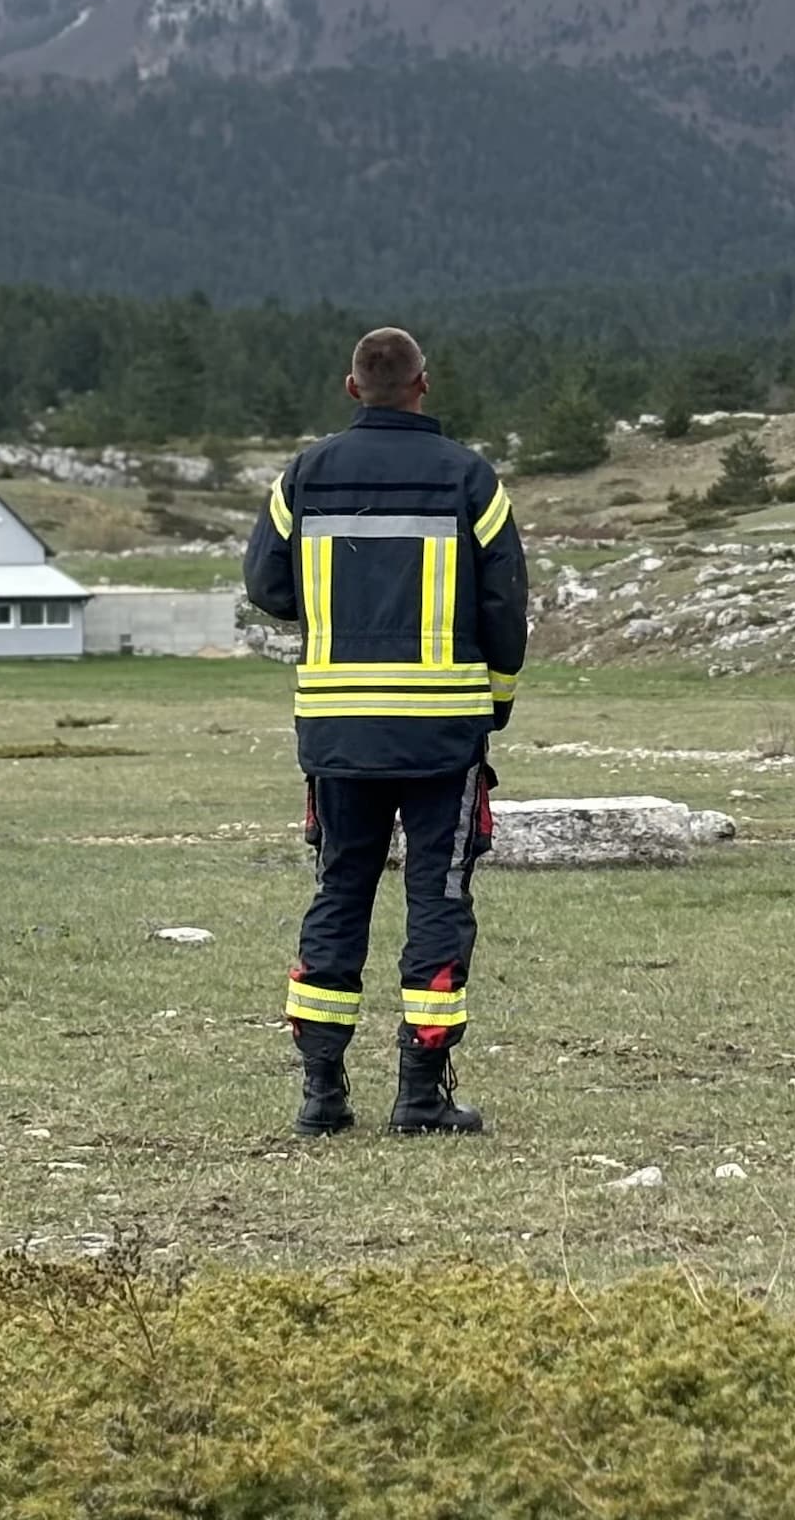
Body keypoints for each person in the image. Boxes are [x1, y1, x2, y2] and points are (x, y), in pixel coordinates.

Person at [241, 326, 527, 1137]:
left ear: (351, 386)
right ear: (423, 386)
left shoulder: (305, 474)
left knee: (339, 894)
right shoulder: (471, 477)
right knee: (438, 898)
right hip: (443, 732)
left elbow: (266, 583)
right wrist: (494, 700)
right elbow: (506, 603)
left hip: (338, 731)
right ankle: (419, 1093)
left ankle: (322, 1095)